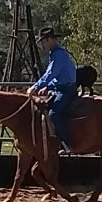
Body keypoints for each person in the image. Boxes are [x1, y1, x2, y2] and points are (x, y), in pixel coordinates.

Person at [27, 27, 77, 155]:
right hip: (59, 87)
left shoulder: (58, 55)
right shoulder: (56, 53)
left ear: (49, 40)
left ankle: (67, 144)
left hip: (66, 89)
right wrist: (47, 87)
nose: (43, 45)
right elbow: (55, 76)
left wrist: (36, 87)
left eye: (43, 41)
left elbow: (51, 74)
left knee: (54, 113)